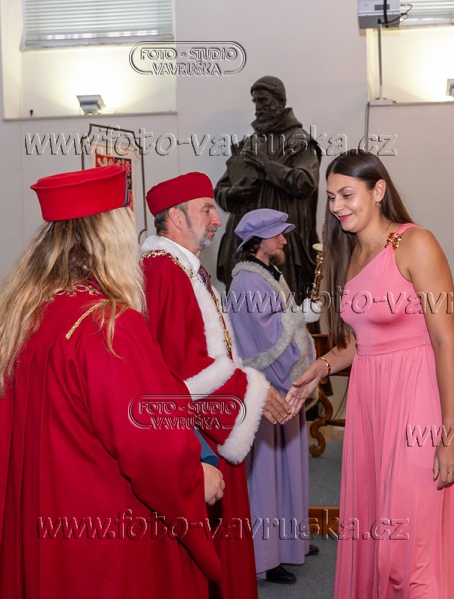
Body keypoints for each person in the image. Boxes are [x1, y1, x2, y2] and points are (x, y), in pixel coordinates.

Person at [0, 165, 222, 599]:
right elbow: (152, 446)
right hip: (105, 541)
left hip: (41, 532)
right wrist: (196, 476)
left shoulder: (12, 319)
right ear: (112, 239)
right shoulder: (108, 326)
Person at [287, 149, 454, 597]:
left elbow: (446, 342)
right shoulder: (351, 253)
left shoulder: (416, 243)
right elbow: (362, 341)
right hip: (370, 407)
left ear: (379, 190)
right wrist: (320, 366)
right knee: (377, 534)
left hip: (416, 404)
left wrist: (451, 432)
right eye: (331, 197)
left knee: (408, 546)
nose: (337, 206)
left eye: (347, 194)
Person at [139, 172, 293, 599]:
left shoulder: (185, 269)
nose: (217, 219)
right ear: (176, 217)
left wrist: (247, 390)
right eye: (206, 209)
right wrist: (251, 393)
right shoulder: (164, 271)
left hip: (214, 421)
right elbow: (178, 367)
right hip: (200, 433)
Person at [226, 209, 322, 584]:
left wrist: (299, 316)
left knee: (288, 468)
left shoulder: (268, 274)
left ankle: (290, 541)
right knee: (266, 475)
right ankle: (265, 558)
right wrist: (299, 319)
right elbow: (267, 340)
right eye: (277, 234)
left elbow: (280, 322)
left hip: (284, 383)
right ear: (258, 240)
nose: (283, 240)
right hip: (268, 388)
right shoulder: (247, 282)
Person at [214, 76, 322, 302]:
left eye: (263, 100)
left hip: (281, 244)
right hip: (244, 242)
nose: (258, 107)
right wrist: (232, 194)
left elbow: (306, 183)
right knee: (244, 307)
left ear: (280, 101)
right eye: (255, 101)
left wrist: (268, 166)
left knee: (283, 306)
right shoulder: (248, 144)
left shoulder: (299, 141)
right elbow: (221, 188)